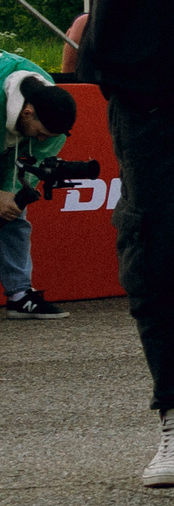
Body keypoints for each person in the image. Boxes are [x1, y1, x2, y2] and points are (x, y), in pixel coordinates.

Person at [1, 65, 78, 321]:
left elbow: (36, 162)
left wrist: (11, 196)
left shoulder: (51, 106)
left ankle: (20, 295)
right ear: (27, 113)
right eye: (41, 133)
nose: (44, 140)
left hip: (9, 138)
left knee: (13, 215)